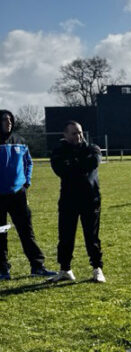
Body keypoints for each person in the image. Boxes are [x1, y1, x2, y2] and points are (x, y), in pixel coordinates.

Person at [0, 109, 57, 280]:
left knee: (26, 231)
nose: (8, 122)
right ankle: (3, 269)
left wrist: (26, 183)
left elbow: (28, 163)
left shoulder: (20, 141)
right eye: (4, 119)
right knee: (1, 232)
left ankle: (37, 266)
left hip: (18, 196)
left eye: (10, 119)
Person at [49, 121, 105, 283]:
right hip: (68, 200)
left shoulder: (92, 148)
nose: (78, 136)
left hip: (90, 199)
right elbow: (61, 170)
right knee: (65, 236)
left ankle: (97, 268)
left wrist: (73, 163)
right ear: (65, 135)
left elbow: (91, 163)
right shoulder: (58, 151)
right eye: (74, 133)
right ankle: (65, 269)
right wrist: (78, 163)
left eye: (80, 132)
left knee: (92, 236)